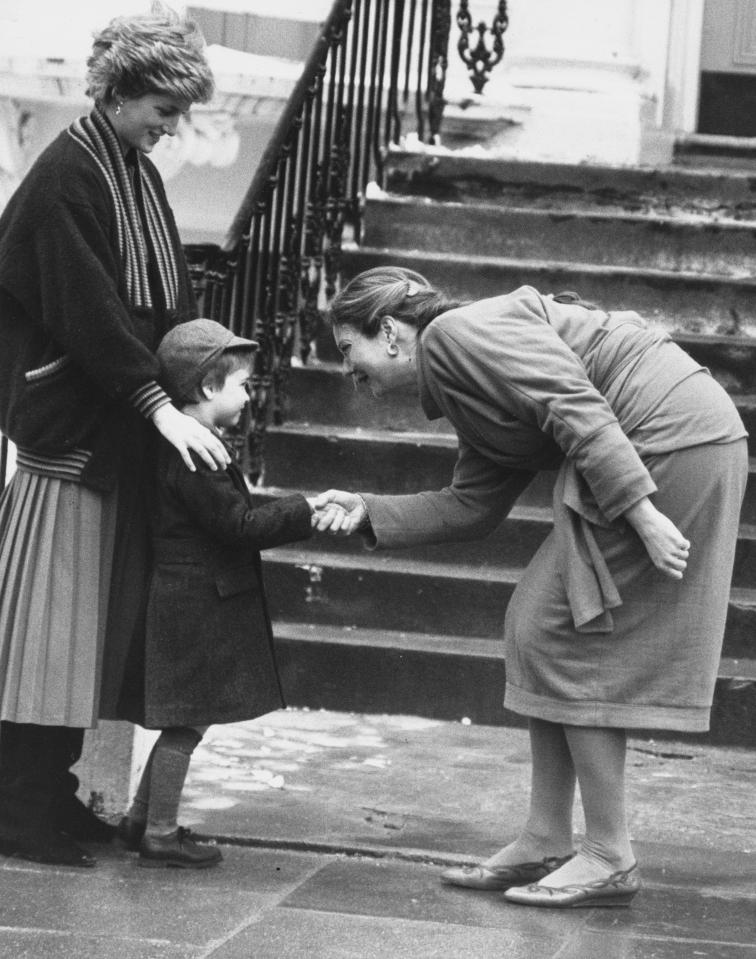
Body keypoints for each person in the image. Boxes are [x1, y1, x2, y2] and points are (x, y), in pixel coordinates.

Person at [312, 266, 748, 908]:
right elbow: (471, 505)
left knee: (561, 630)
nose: (350, 371)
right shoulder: (459, 374)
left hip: (668, 439)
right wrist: (369, 510)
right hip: (662, 439)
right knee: (537, 625)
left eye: (350, 351)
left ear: (389, 332)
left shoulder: (457, 336)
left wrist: (643, 512)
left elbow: (571, 402)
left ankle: (607, 855)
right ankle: (546, 837)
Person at [0, 5, 229, 868]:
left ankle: (45, 795)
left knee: (74, 634)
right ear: (121, 92)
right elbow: (89, 311)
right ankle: (18, 807)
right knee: (45, 634)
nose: (174, 129)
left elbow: (157, 304)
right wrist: (159, 403)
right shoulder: (69, 174)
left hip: (108, 431)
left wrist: (198, 385)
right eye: (165, 110)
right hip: (71, 435)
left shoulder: (124, 166)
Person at [114, 319, 316, 868]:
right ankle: (159, 830)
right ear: (207, 389)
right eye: (242, 385)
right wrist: (306, 510)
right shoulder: (196, 452)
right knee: (188, 721)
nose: (249, 396)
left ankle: (140, 818)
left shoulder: (179, 441)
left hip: (187, 594)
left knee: (186, 716)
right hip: (196, 600)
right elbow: (240, 527)